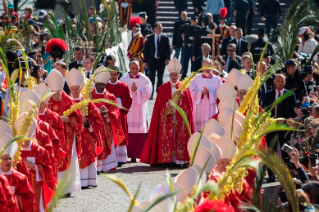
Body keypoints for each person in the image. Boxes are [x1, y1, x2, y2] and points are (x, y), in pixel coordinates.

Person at [140, 58, 194, 167]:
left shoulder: (185, 88)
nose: (174, 77)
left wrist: (183, 97)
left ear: (179, 76)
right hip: (167, 118)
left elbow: (190, 105)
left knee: (179, 138)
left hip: (180, 119)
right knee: (167, 138)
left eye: (176, 75)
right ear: (169, 75)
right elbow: (159, 107)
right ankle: (167, 160)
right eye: (172, 74)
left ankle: (179, 161)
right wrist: (167, 106)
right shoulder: (163, 88)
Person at [47, 70, 83, 196]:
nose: (56, 96)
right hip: (51, 137)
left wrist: (68, 119)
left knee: (66, 159)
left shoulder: (68, 101)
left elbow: (78, 118)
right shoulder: (47, 101)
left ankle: (67, 188)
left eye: (58, 93)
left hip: (67, 136)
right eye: (54, 93)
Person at [66, 68, 103, 189]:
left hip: (86, 134)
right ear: (70, 89)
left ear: (81, 88)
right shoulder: (67, 102)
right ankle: (75, 182)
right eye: (73, 89)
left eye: (77, 89)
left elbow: (97, 118)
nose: (75, 91)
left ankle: (88, 181)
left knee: (87, 153)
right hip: (72, 135)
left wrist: (87, 121)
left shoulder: (86, 102)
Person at [14, 113, 57, 211]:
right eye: (23, 140)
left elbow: (48, 170)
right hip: (21, 189)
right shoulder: (15, 151)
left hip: (36, 187)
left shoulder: (40, 151)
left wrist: (34, 167)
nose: (24, 143)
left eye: (27, 140)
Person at [262, 74, 296, 182]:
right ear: (275, 82)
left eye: (282, 81)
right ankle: (271, 175)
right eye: (278, 81)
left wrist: (285, 119)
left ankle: (287, 174)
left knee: (286, 150)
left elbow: (293, 112)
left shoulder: (290, 95)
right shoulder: (268, 94)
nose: (280, 83)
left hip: (284, 128)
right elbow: (264, 109)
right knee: (270, 151)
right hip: (271, 127)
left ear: (285, 82)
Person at [91, 69, 125, 172]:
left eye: (102, 85)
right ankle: (96, 167)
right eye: (98, 85)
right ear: (95, 84)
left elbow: (115, 112)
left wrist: (107, 113)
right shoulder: (90, 96)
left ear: (105, 85)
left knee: (106, 144)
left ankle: (106, 166)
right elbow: (86, 109)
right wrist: (96, 111)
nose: (100, 87)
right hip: (95, 126)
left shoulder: (110, 97)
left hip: (106, 126)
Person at [121, 59, 152, 162]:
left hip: (139, 109)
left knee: (139, 131)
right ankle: (128, 154)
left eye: (136, 68)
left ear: (139, 67)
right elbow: (121, 91)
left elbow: (148, 92)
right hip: (128, 109)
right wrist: (131, 90)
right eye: (132, 68)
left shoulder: (145, 79)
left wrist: (137, 90)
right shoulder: (124, 78)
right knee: (128, 130)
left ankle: (139, 154)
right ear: (129, 68)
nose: (134, 70)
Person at [0, 129, 35, 212]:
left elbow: (29, 197)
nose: (8, 161)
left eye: (10, 158)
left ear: (13, 161)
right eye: (5, 158)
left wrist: (13, 198)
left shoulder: (21, 178)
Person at [106, 67, 133, 166]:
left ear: (118, 75)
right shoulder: (105, 86)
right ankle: (111, 158)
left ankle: (121, 158)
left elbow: (129, 100)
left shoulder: (124, 86)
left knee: (120, 133)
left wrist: (116, 101)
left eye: (115, 74)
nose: (113, 77)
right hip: (109, 116)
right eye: (111, 74)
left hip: (120, 115)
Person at [190, 58, 222, 131]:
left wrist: (209, 93)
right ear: (202, 66)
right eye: (205, 66)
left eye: (209, 66)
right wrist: (201, 93)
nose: (207, 68)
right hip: (199, 108)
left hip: (211, 108)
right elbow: (191, 92)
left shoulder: (217, 80)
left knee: (210, 131)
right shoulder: (195, 78)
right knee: (198, 131)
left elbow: (219, 93)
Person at [143, 23, 171, 99]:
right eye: (159, 28)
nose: (160, 29)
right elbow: (146, 50)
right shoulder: (150, 38)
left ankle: (159, 93)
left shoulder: (165, 38)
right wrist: (145, 61)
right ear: (154, 29)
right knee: (151, 77)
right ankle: (151, 93)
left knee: (160, 77)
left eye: (161, 28)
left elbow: (168, 50)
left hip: (161, 61)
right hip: (152, 61)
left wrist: (167, 58)